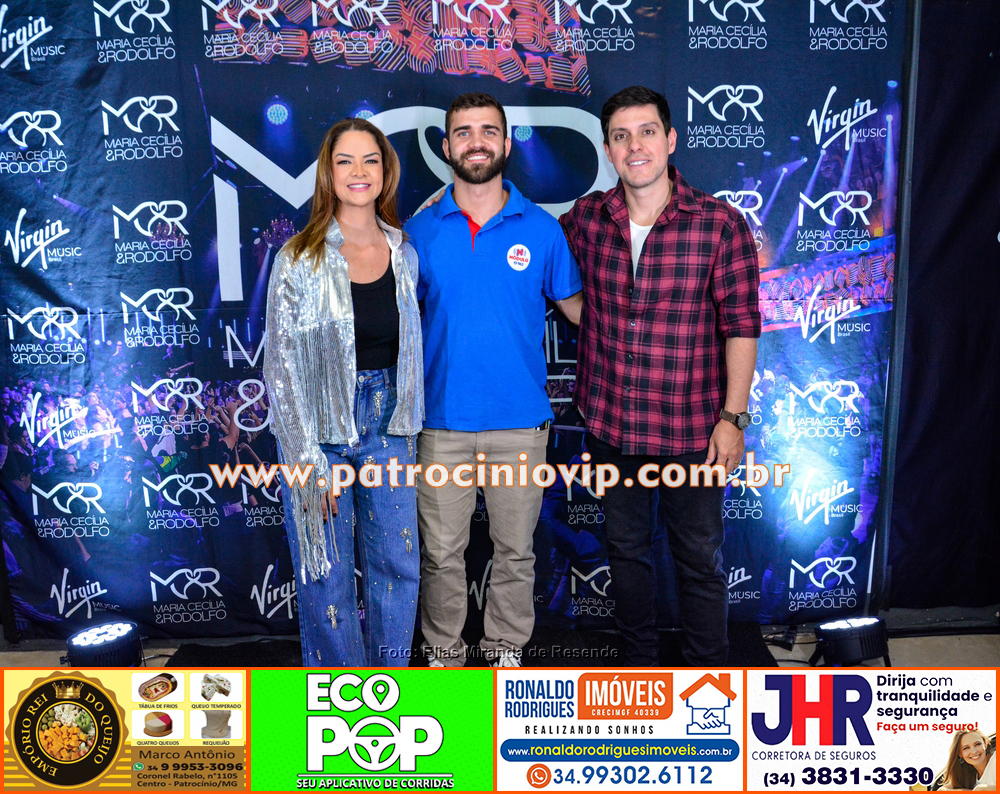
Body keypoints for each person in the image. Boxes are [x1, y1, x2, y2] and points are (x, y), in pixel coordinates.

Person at [560, 85, 761, 666]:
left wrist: (733, 419)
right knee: (626, 553)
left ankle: (709, 674)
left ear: (670, 140)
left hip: (692, 431)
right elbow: (546, 270)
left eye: (647, 132)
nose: (635, 146)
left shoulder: (718, 224)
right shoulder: (587, 219)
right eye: (621, 136)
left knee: (699, 559)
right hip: (612, 425)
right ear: (608, 149)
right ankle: (639, 668)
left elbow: (742, 326)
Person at [405, 92, 583, 667]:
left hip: (520, 425)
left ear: (506, 144)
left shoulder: (542, 229)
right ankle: (444, 654)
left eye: (488, 131)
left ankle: (505, 650)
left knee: (515, 552)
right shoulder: (419, 231)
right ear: (446, 146)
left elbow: (582, 312)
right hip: (441, 423)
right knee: (441, 555)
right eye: (463, 132)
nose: (476, 142)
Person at [263, 118, 424, 667]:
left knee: (397, 566)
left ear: (385, 171)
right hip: (320, 431)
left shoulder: (403, 252)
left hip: (390, 425)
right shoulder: (299, 257)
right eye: (345, 161)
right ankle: (338, 697)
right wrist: (307, 460)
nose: (359, 172)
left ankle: (389, 690)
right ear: (328, 174)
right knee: (325, 575)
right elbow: (280, 367)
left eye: (370, 160)